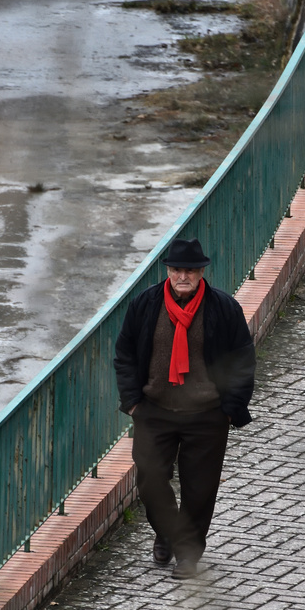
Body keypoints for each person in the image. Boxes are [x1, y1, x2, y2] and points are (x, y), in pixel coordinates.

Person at [114, 237, 255, 579]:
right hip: (154, 410)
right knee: (149, 481)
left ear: (201, 272)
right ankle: (166, 532)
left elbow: (242, 360)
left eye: (190, 271)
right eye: (177, 269)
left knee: (199, 488)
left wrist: (230, 408)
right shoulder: (145, 305)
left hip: (206, 415)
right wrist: (133, 402)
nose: (183, 277)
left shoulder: (223, 308)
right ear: (168, 271)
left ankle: (188, 554)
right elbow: (126, 354)